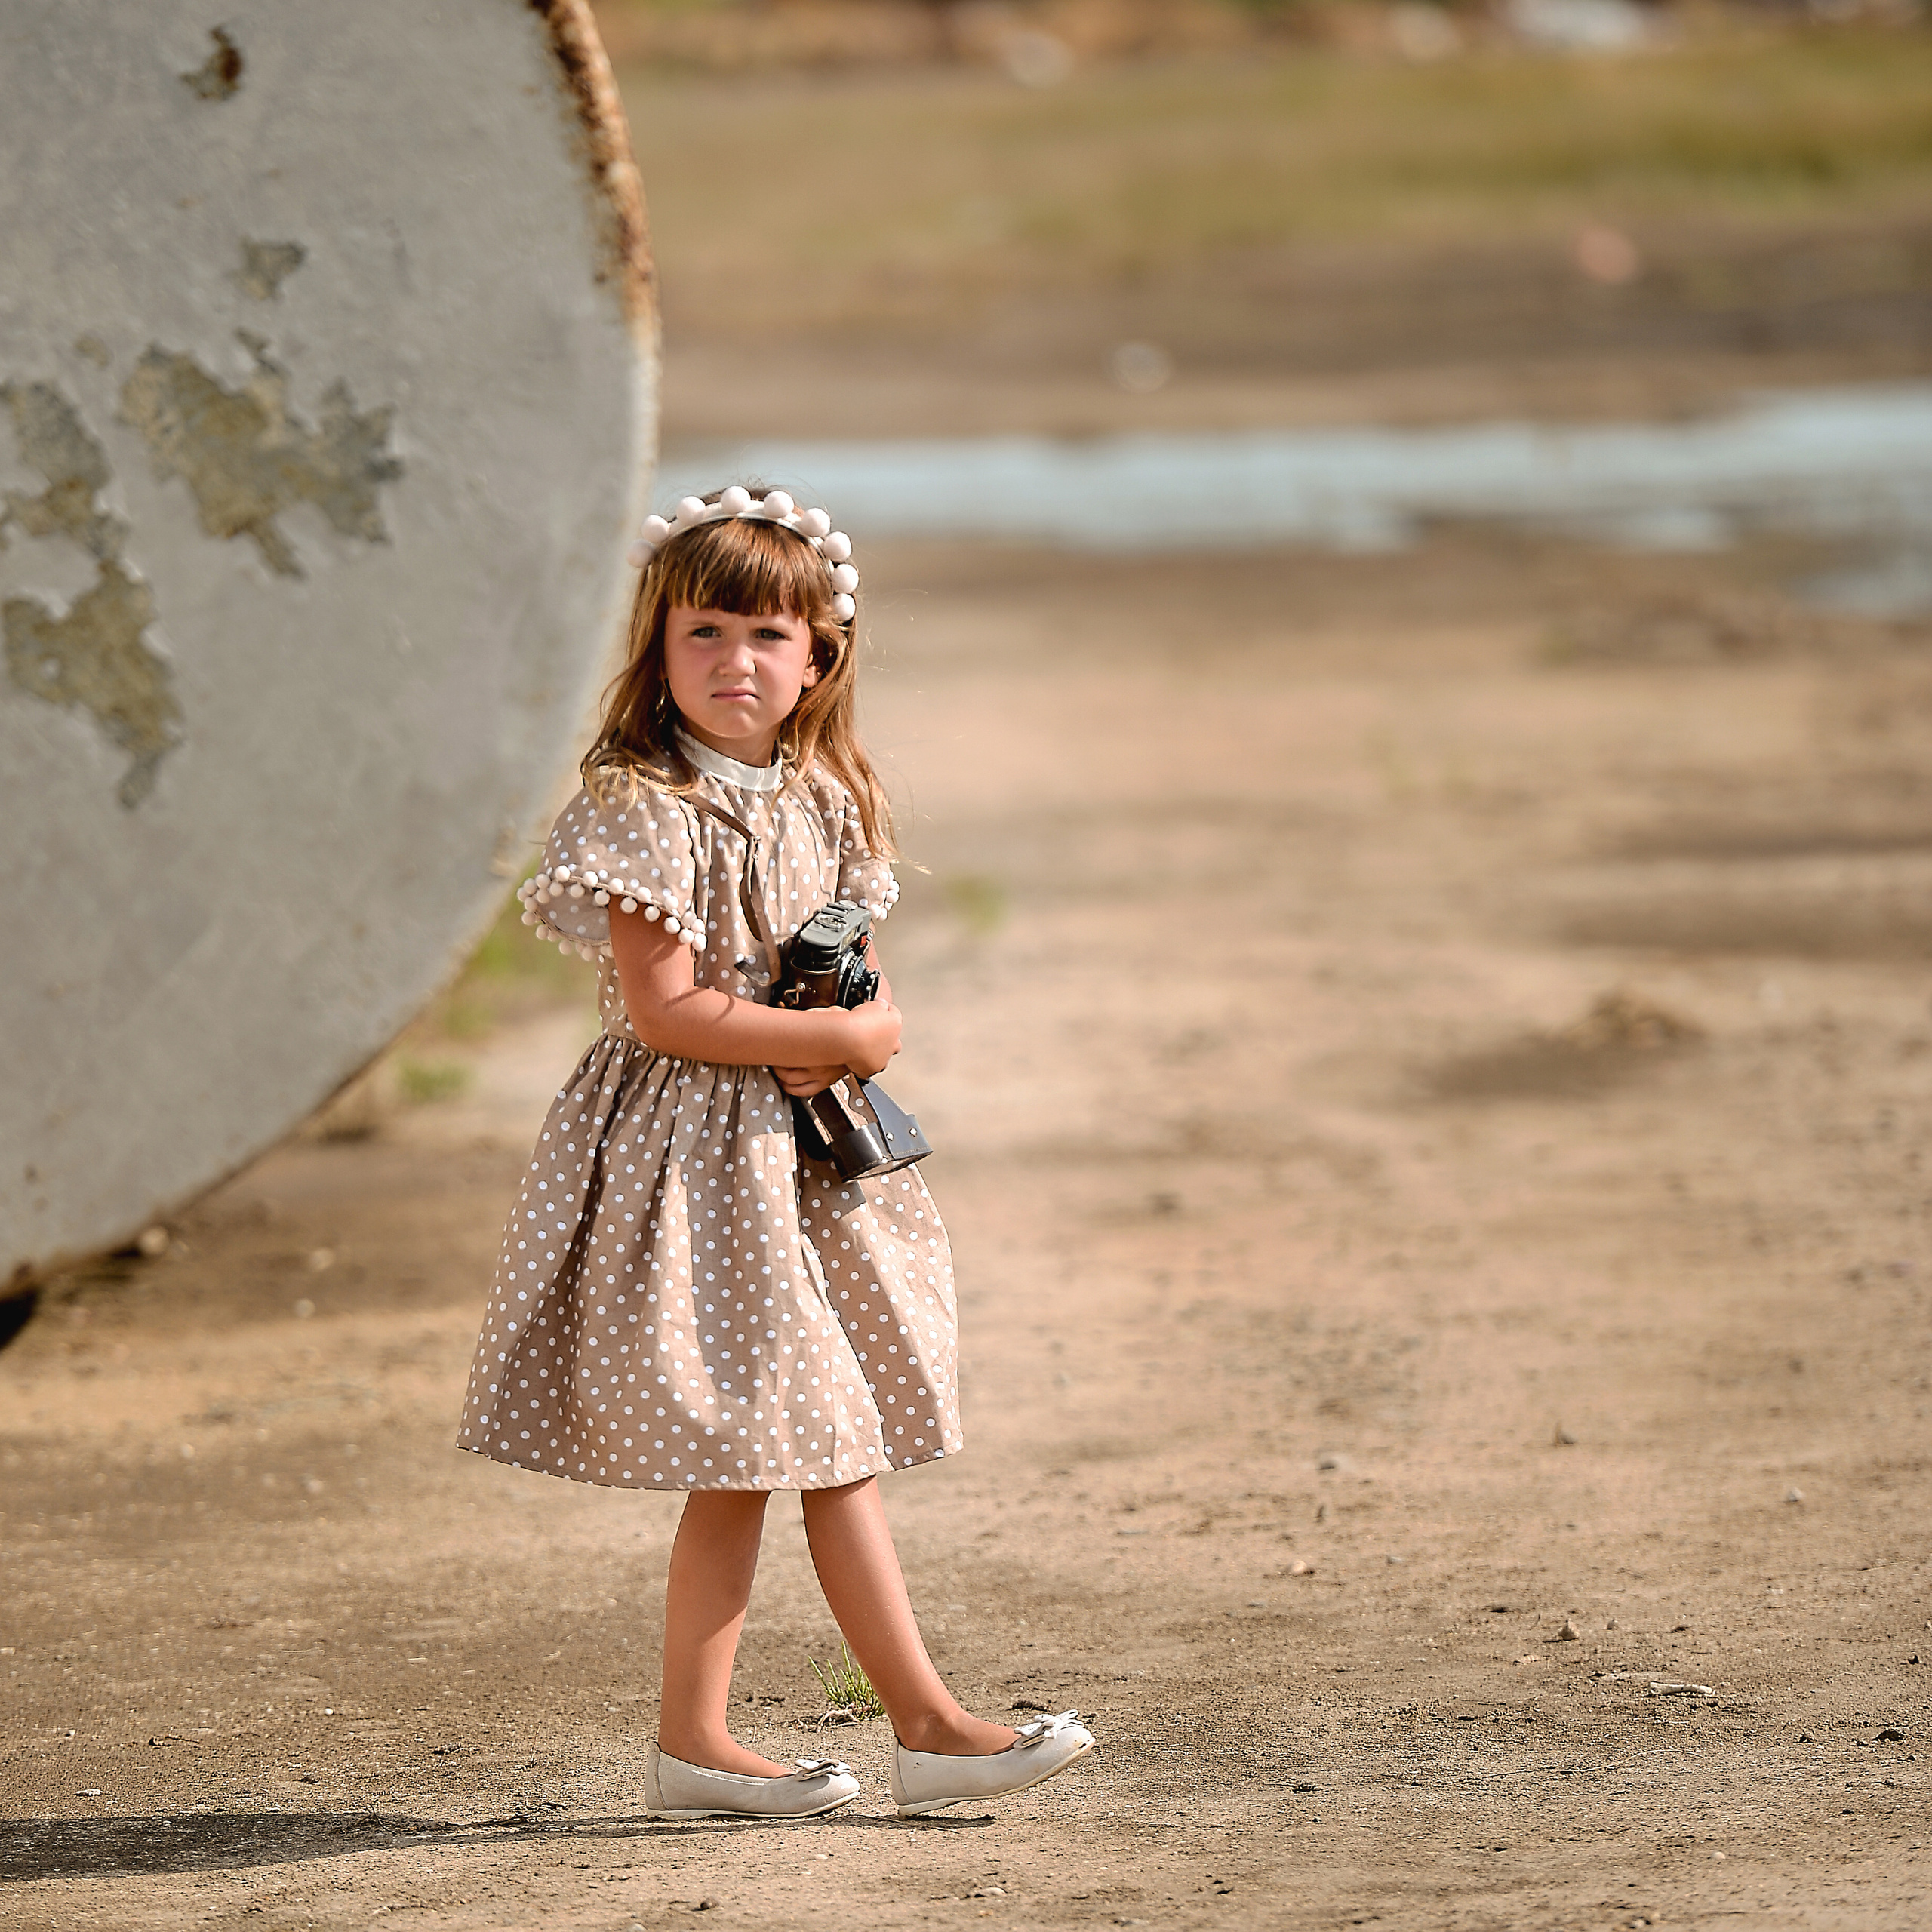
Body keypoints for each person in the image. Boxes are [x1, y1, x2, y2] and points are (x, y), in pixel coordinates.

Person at [457, 485, 1095, 1820]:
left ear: (817, 658)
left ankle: (743, 1743)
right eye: (704, 633)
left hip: (807, 1154)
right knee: (784, 1446)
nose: (733, 663)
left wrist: (874, 1024)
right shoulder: (646, 805)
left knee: (803, 1440)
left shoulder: (824, 794)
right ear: (659, 648)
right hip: (697, 1163)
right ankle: (891, 1727)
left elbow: (850, 977)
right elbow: (666, 1008)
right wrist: (843, 1044)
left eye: (763, 635)